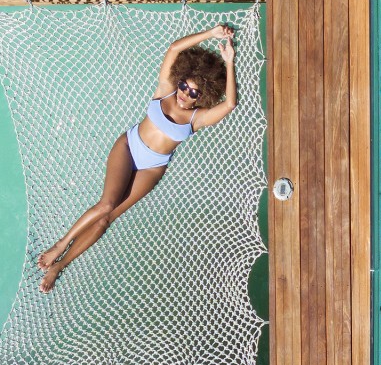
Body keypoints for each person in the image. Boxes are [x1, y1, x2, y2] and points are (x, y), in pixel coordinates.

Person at [35, 25, 238, 290]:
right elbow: (174, 48)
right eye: (184, 85)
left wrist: (229, 62)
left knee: (107, 219)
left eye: (193, 92)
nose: (185, 93)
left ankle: (60, 266)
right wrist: (210, 34)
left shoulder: (196, 119)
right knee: (106, 205)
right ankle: (59, 245)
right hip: (128, 148)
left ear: (204, 96)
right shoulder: (165, 89)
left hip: (152, 168)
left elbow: (230, 104)